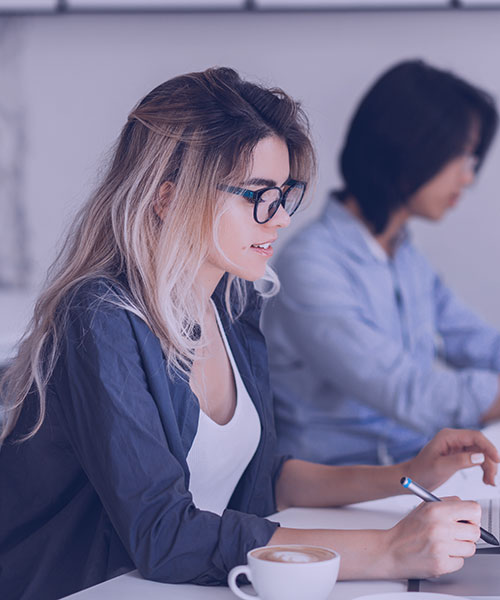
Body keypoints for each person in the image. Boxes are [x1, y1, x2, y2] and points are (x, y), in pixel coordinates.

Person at [0, 67, 498, 600]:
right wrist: (386, 551)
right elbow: (164, 536)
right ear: (167, 198)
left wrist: (405, 473)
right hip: (84, 587)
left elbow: (263, 480)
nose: (280, 218)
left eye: (284, 195)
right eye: (258, 195)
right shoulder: (100, 316)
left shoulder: (234, 304)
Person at [262, 59, 500, 467]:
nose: (468, 177)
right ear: (411, 148)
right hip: (343, 494)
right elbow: (408, 393)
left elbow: (477, 342)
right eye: (461, 156)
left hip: (414, 473)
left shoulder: (404, 255)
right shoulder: (310, 267)